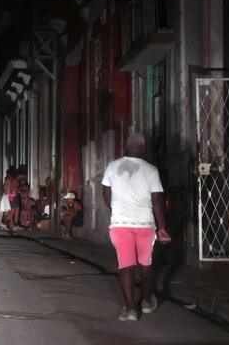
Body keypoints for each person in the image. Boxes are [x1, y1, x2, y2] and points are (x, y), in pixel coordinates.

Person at [102, 132, 171, 321]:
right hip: (145, 224)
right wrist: (162, 227)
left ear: (126, 146)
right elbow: (157, 200)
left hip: (120, 224)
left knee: (125, 266)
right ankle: (147, 302)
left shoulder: (112, 167)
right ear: (143, 148)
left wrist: (118, 210)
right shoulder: (151, 170)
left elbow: (107, 196)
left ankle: (131, 309)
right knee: (145, 264)